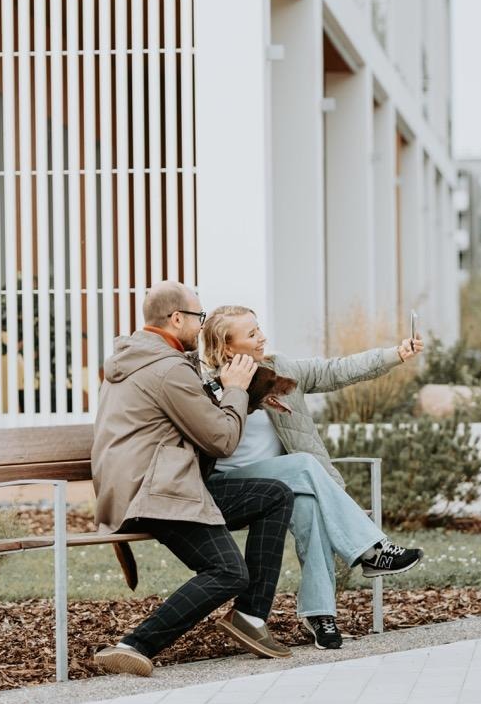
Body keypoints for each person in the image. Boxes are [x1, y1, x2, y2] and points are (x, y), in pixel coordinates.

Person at [90, 281, 296, 677]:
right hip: (154, 492)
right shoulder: (167, 369)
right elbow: (221, 440)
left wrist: (241, 397)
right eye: (198, 317)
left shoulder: (138, 360)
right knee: (228, 571)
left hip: (146, 484)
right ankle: (133, 645)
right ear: (176, 318)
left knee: (274, 495)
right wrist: (236, 389)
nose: (202, 326)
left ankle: (250, 616)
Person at [199, 305, 424, 651]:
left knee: (309, 507)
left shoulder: (281, 370)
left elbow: (336, 370)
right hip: (229, 489)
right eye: (252, 334)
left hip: (278, 487)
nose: (262, 338)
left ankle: (320, 613)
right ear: (227, 347)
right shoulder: (205, 387)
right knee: (304, 465)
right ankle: (372, 550)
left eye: (259, 329)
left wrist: (395, 354)